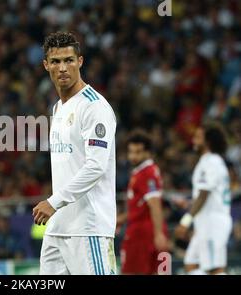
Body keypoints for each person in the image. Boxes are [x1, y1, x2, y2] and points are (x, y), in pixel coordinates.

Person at [33, 32, 117, 275]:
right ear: (46, 65)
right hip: (58, 228)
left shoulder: (94, 107)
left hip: (88, 227)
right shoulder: (58, 108)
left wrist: (53, 202)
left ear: (80, 61)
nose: (63, 68)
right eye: (56, 62)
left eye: (69, 60)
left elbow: (95, 167)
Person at [175, 123, 233, 275]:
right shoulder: (209, 161)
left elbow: (203, 195)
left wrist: (185, 221)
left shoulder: (211, 161)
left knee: (215, 269)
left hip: (213, 223)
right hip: (206, 221)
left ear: (208, 141)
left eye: (198, 137)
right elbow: (206, 196)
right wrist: (189, 203)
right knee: (191, 263)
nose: (193, 140)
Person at [118, 130, 169, 275]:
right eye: (131, 152)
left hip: (141, 234)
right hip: (146, 229)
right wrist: (121, 219)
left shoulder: (147, 172)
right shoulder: (143, 171)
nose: (133, 156)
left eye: (138, 152)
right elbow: (142, 206)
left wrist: (158, 233)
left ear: (148, 152)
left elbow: (155, 204)